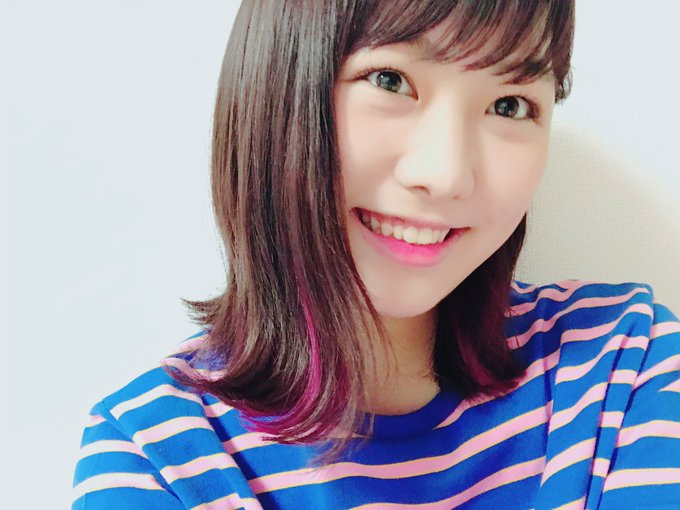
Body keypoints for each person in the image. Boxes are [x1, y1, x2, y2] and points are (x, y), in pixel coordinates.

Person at [72, 1, 680, 508]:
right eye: (389, 80)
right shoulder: (156, 454)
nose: (446, 175)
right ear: (275, 89)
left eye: (510, 105)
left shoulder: (624, 364)